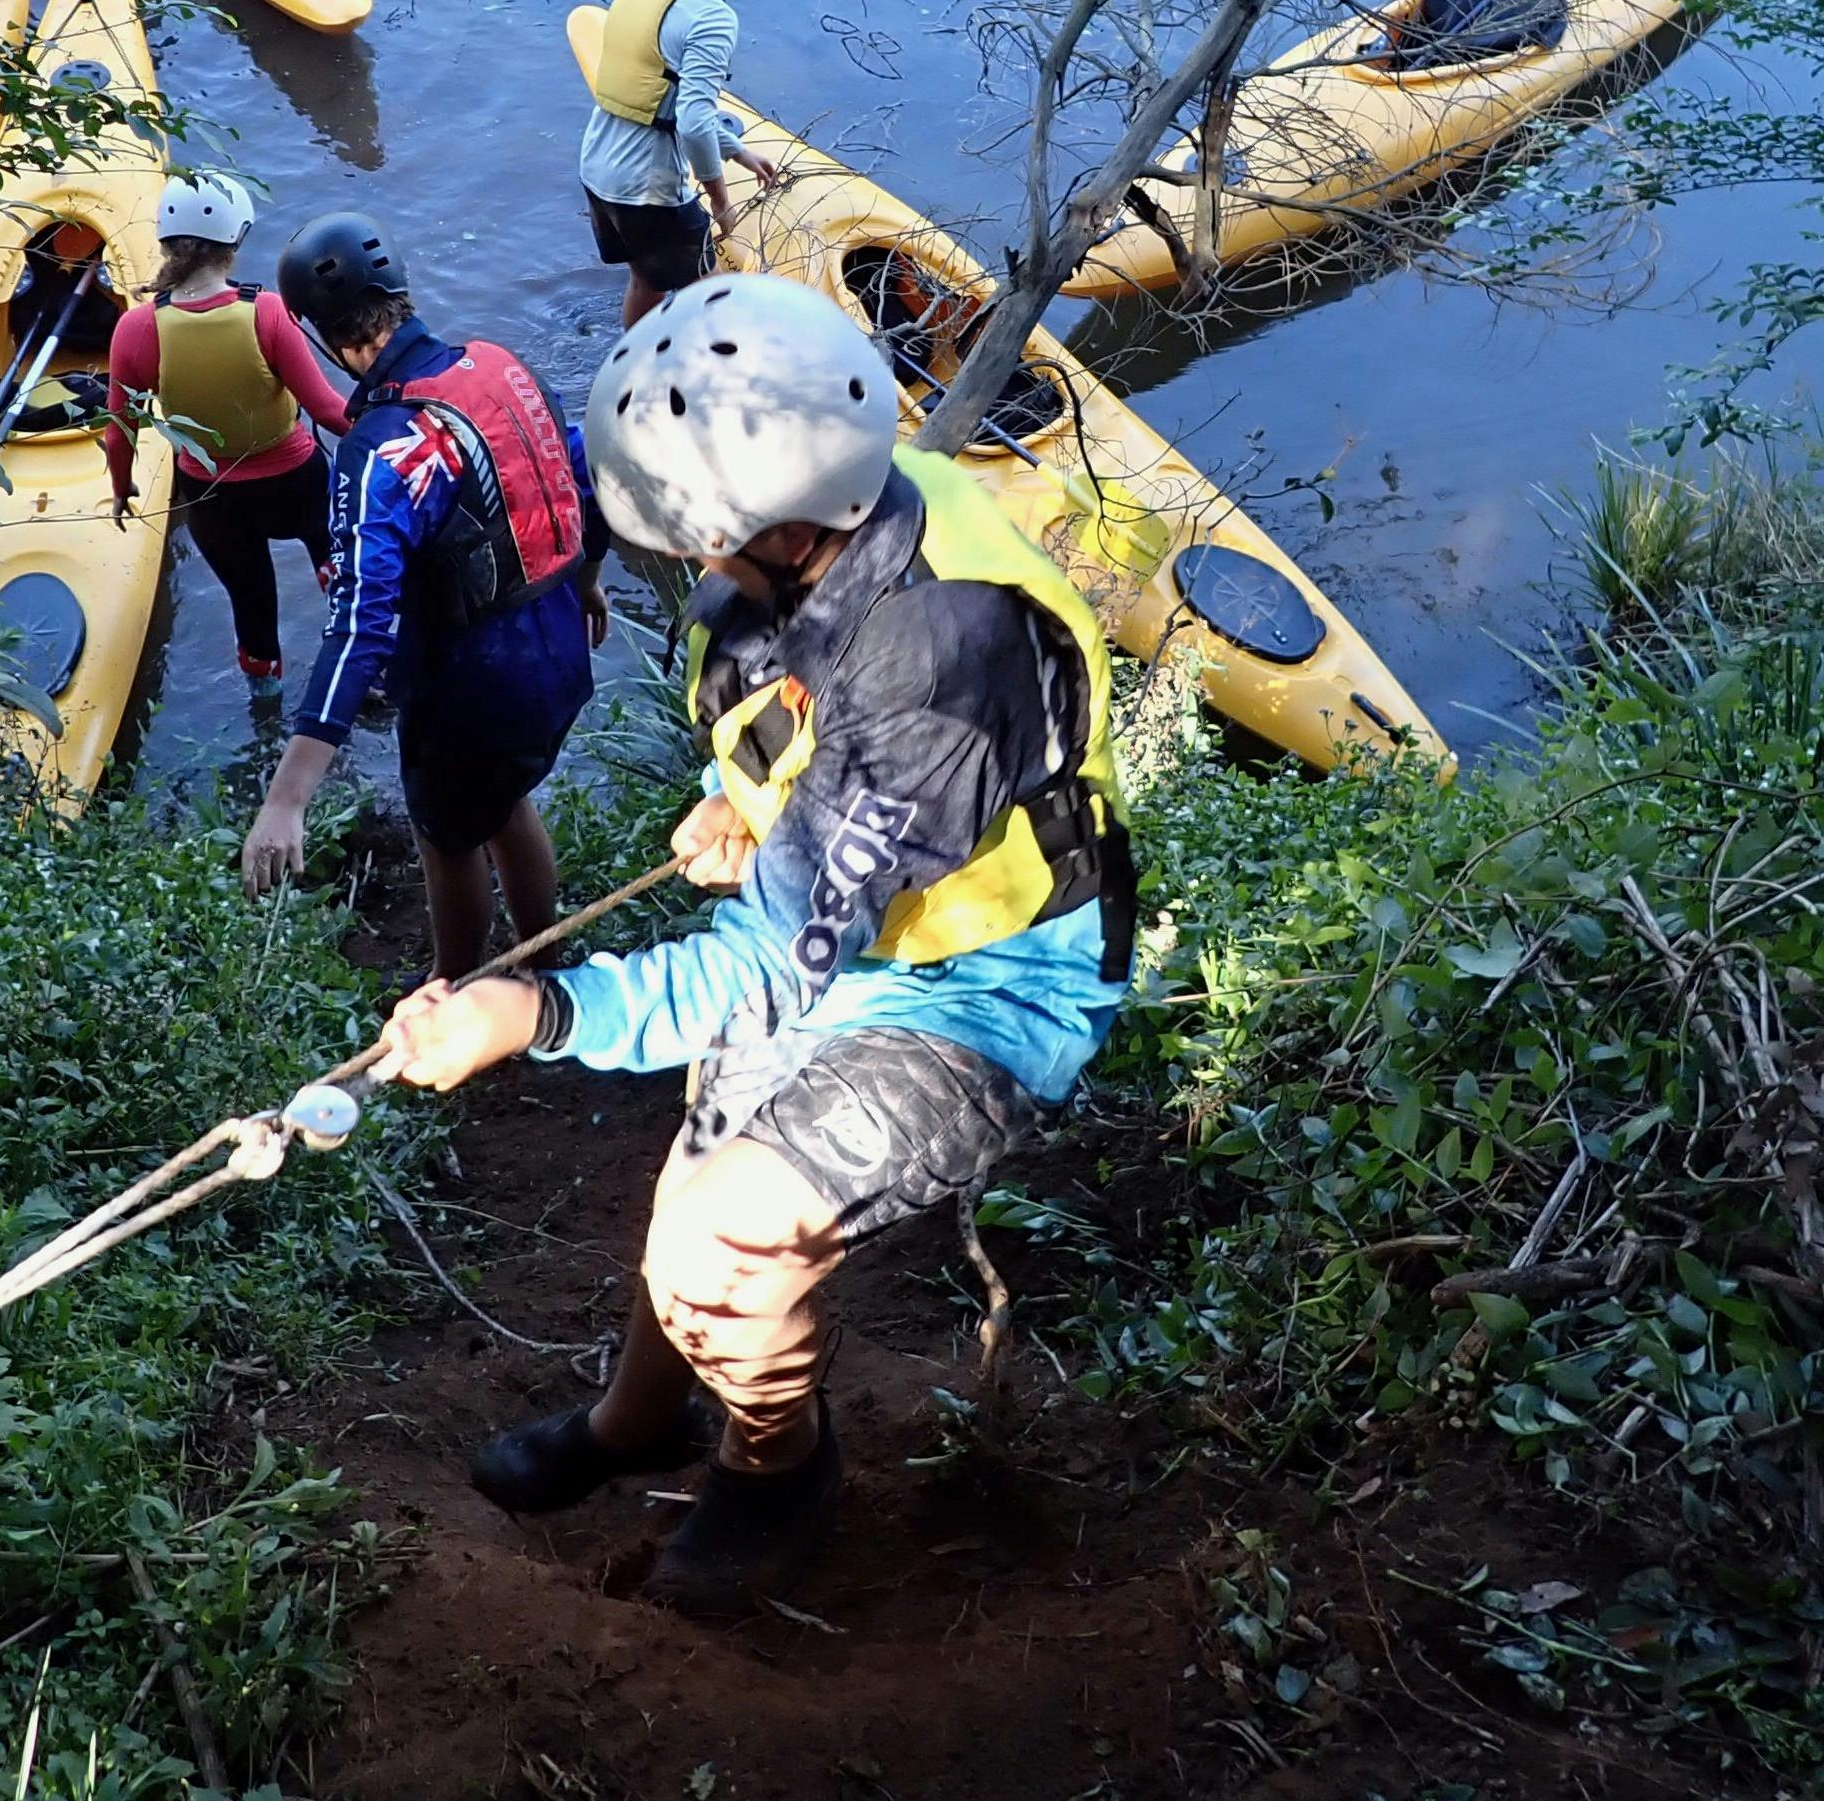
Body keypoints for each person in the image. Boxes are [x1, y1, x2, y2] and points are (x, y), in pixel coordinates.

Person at [362, 275, 1133, 1618]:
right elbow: (820, 733)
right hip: (882, 927)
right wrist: (753, 799)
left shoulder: (942, 663)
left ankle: (778, 1465)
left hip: (992, 984)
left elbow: (779, 963)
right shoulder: (850, 521)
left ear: (747, 525)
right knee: (692, 1183)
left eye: (673, 536)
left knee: (727, 1240)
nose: (666, 559)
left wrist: (533, 1012)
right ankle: (635, 1426)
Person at [238, 214, 603, 980]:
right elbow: (579, 475)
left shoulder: (381, 448)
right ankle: (547, 965)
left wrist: (287, 796)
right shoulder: (499, 366)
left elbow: (358, 627)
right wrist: (590, 579)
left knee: (448, 836)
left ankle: (454, 987)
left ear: (319, 334)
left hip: (475, 691)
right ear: (398, 291)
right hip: (562, 651)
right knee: (502, 800)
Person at [99, 174, 353, 688]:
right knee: (340, 564)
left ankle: (265, 706)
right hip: (296, 482)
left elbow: (119, 431)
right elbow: (327, 411)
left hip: (213, 496)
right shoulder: (266, 312)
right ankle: (360, 665)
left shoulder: (137, 329)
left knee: (252, 606)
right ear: (235, 241)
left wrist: (121, 487)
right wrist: (395, 426)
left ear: (166, 243)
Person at [580, 0, 787, 326]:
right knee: (713, 292)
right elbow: (692, 122)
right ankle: (717, 381)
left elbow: (660, 98)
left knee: (647, 281)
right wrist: (720, 201)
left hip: (598, 169)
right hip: (647, 188)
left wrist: (738, 151)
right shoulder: (712, 16)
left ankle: (636, 367)